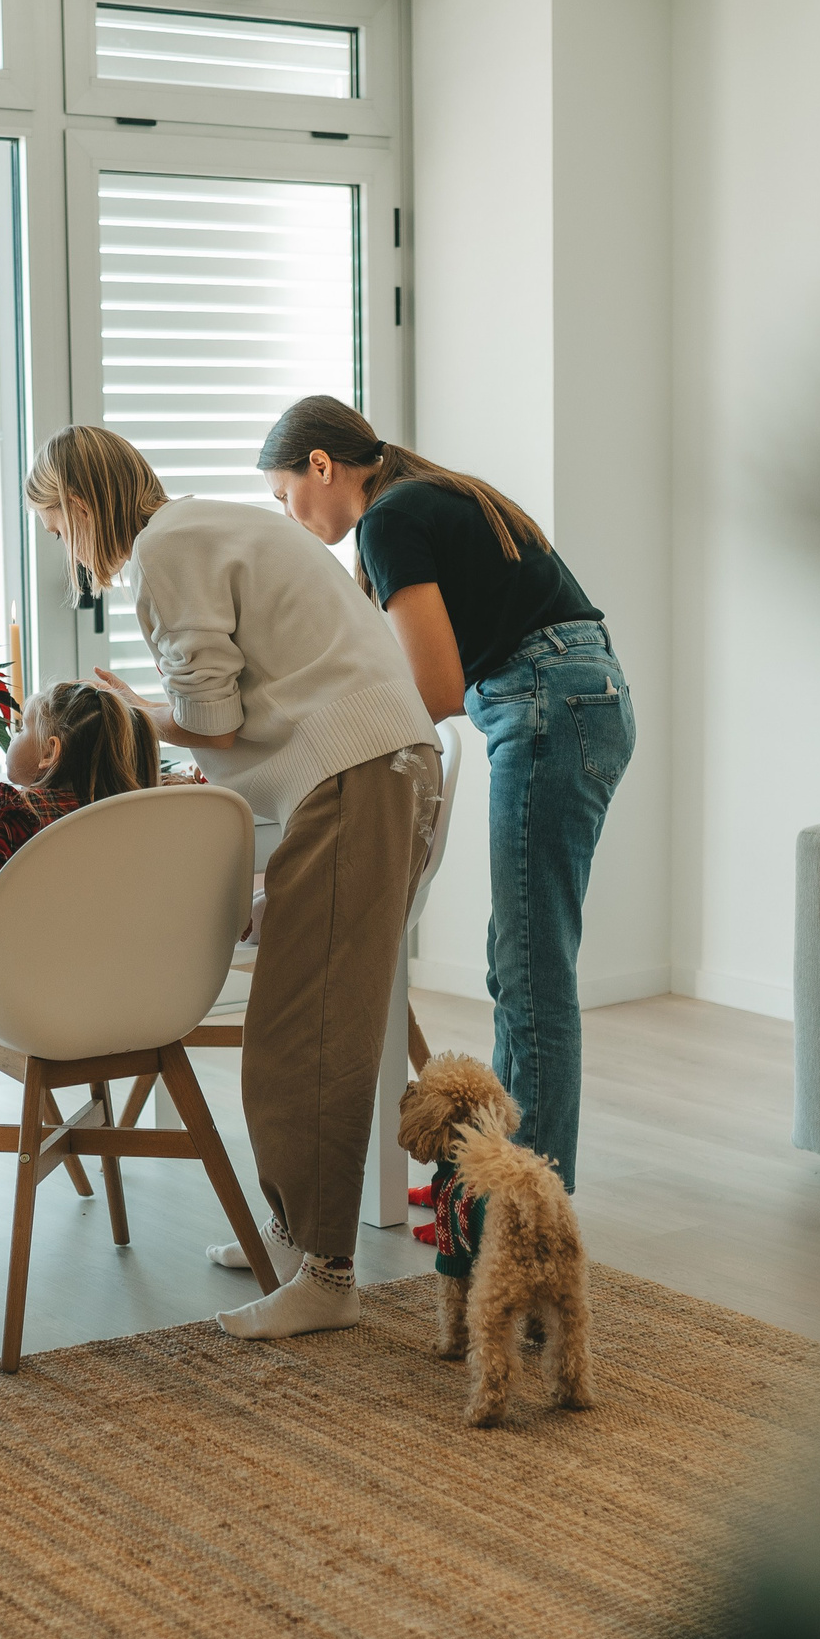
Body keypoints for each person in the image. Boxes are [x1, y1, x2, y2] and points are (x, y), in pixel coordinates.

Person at [25, 425, 440, 1341]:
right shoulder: (208, 526)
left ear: (84, 508)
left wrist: (139, 712)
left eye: (57, 529)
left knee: (306, 1033)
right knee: (309, 1020)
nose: (64, 550)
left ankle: (325, 1275)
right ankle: (299, 1239)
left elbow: (212, 719)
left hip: (357, 775)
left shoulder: (167, 549)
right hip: (377, 765)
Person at [257, 395, 633, 1193]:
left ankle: (522, 1201)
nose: (290, 517)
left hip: (545, 704)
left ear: (320, 467)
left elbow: (432, 685)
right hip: (573, 696)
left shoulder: (391, 520)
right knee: (522, 963)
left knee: (531, 973)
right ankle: (496, 1175)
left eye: (286, 495)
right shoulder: (432, 495)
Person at [0, 681, 162, 997]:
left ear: (50, 752)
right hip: (116, 986)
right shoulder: (132, 815)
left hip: (24, 989)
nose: (14, 736)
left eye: (22, 729)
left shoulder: (15, 813)